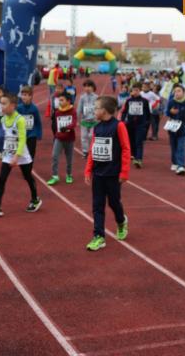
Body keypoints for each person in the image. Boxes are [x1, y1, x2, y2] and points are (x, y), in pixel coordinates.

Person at [84, 95, 130, 251]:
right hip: (98, 174)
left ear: (103, 111)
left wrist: (124, 172)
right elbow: (92, 150)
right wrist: (88, 169)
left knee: (114, 203)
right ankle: (99, 236)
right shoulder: (97, 127)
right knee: (97, 206)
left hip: (113, 174)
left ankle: (121, 221)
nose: (94, 110)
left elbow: (125, 149)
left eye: (96, 108)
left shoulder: (119, 126)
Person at [0, 93, 42, 216]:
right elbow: (7, 137)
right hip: (8, 154)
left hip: (21, 154)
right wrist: (5, 152)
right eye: (1, 103)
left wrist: (17, 156)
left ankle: (35, 199)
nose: (1, 106)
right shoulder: (3, 119)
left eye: (4, 104)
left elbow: (22, 139)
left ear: (13, 106)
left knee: (27, 177)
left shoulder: (20, 120)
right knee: (1, 178)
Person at [47, 92, 77, 185]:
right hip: (59, 138)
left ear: (68, 101)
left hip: (69, 138)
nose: (60, 102)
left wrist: (67, 127)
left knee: (69, 158)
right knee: (54, 156)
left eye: (62, 100)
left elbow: (74, 123)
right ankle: (55, 176)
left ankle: (69, 174)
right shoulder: (57, 112)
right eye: (59, 100)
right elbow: (55, 124)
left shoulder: (73, 111)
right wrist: (56, 133)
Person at [120, 83, 150, 169]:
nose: (135, 92)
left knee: (139, 142)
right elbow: (125, 111)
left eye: (137, 90)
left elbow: (148, 113)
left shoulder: (145, 101)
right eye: (133, 90)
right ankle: (133, 155)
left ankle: (139, 159)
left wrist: (146, 123)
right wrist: (122, 121)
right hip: (130, 124)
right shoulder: (129, 101)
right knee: (131, 141)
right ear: (131, 91)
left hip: (140, 124)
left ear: (140, 91)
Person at [165, 84, 185, 176]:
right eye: (175, 91)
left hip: (182, 128)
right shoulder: (171, 102)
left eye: (179, 91)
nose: (177, 93)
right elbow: (167, 112)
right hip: (172, 127)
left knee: (181, 147)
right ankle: (174, 162)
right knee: (174, 146)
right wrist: (170, 112)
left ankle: (181, 166)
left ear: (183, 93)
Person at [17, 85, 42, 160]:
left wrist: (39, 134)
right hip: (22, 134)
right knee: (22, 153)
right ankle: (26, 168)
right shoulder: (19, 108)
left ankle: (29, 167)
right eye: (22, 95)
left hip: (32, 134)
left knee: (31, 153)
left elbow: (38, 122)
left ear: (30, 96)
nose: (23, 97)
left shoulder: (34, 109)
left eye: (25, 95)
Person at [77, 79, 98, 158]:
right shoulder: (82, 98)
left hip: (93, 120)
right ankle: (85, 151)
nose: (87, 88)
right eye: (85, 86)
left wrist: (97, 118)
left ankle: (92, 150)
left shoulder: (96, 97)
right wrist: (77, 119)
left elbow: (98, 107)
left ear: (93, 87)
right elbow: (79, 109)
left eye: (89, 86)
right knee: (84, 136)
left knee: (91, 136)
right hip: (84, 120)